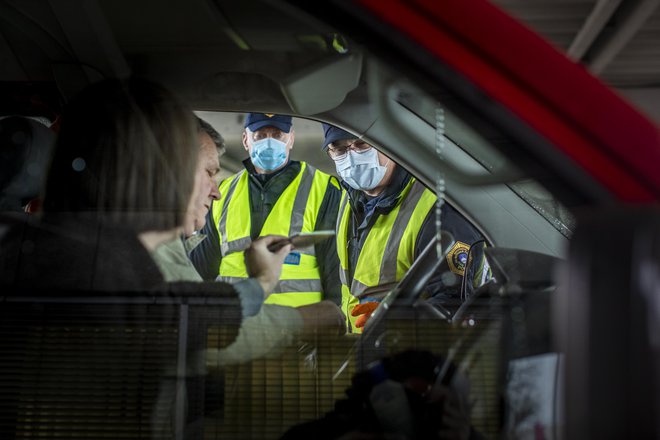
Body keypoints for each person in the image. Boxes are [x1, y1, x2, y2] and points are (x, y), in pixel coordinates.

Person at [0, 78, 289, 320]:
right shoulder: (100, 270)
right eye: (200, 171)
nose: (215, 191)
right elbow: (189, 319)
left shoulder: (40, 248)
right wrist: (264, 283)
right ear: (146, 170)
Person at [322, 123, 484, 332]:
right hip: (367, 347)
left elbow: (455, 304)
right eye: (339, 148)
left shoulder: (438, 210)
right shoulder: (350, 196)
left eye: (361, 144)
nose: (351, 158)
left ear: (389, 144)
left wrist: (399, 321)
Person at [191, 113, 343, 308]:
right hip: (236, 325)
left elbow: (336, 271)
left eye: (278, 135)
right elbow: (202, 270)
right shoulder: (222, 193)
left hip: (300, 328)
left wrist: (332, 321)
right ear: (246, 140)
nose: (270, 143)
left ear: (291, 139)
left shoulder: (324, 189)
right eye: (260, 135)